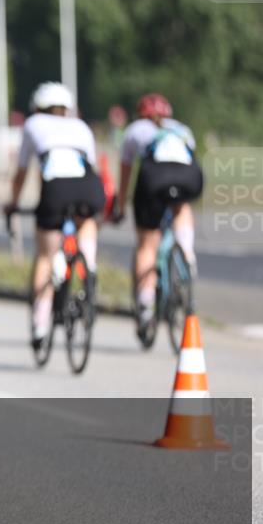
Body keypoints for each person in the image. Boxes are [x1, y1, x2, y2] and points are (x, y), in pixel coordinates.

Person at [4, 82, 105, 349]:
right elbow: (92, 166)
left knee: (46, 257)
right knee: (86, 223)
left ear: (37, 107)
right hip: (89, 187)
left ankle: (40, 324)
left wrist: (13, 204)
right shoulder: (81, 126)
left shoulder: (33, 123)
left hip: (56, 189)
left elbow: (22, 172)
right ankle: (89, 266)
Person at [112, 93, 202, 340]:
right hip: (188, 176)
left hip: (154, 177)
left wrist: (120, 206)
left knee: (146, 245)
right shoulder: (182, 129)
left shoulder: (135, 130)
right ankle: (186, 251)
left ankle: (144, 306)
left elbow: (126, 173)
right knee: (181, 206)